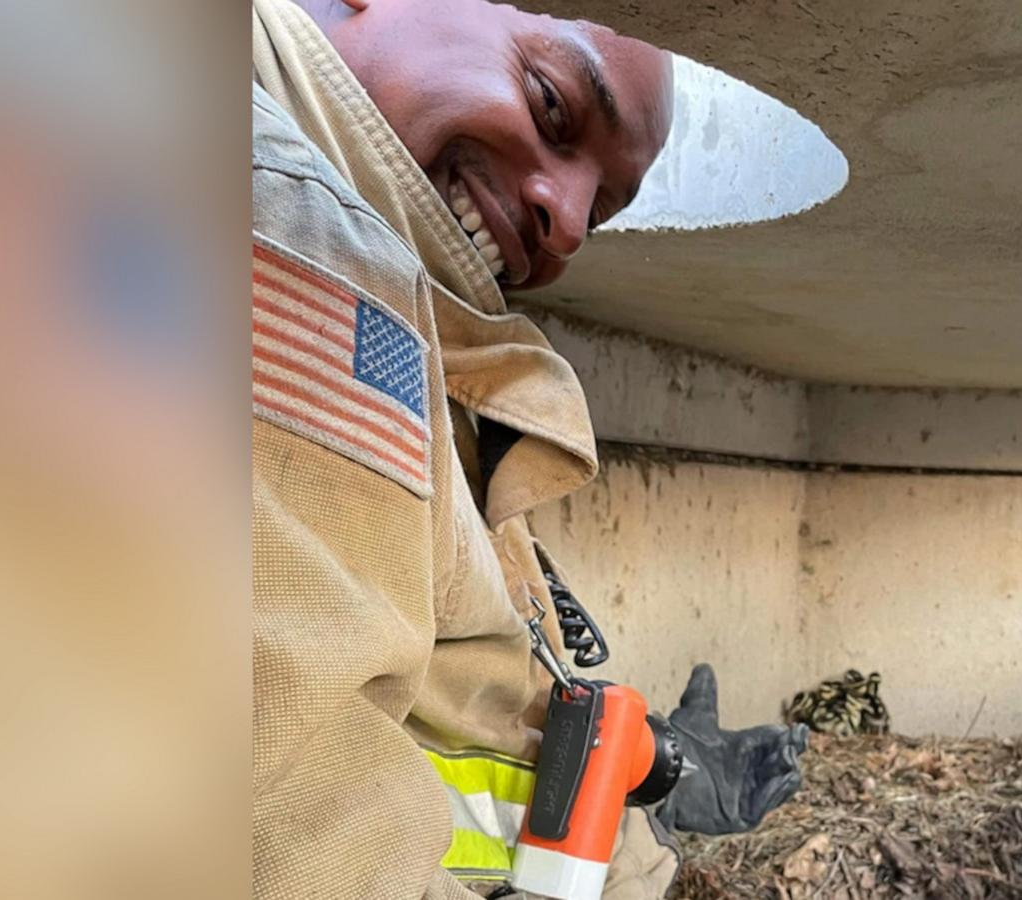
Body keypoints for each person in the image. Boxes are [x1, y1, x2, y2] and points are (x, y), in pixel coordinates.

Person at [250, 0, 807, 897]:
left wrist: (639, 804)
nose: (572, 226)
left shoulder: (407, 316)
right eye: (553, 104)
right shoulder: (286, 228)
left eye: (606, 207)